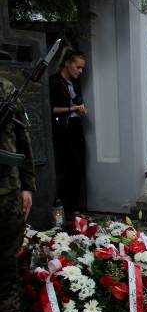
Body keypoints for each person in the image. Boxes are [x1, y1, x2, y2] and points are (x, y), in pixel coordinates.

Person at [0, 77, 47, 312]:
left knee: (7, 258)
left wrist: (27, 185)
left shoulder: (5, 89)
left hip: (7, 191)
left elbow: (23, 139)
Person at [49, 49, 88, 215]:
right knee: (72, 168)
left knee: (79, 168)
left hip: (76, 127)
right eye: (78, 67)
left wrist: (80, 109)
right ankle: (65, 208)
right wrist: (73, 108)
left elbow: (76, 102)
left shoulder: (74, 83)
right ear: (67, 63)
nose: (80, 71)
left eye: (82, 68)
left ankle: (74, 208)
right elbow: (51, 109)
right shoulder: (54, 82)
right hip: (62, 129)